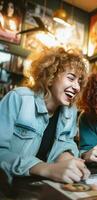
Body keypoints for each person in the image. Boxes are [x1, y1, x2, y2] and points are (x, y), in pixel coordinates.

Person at [0, 48, 90, 183]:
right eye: (71, 78)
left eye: (79, 81)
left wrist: (68, 160)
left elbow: (66, 144)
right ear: (50, 76)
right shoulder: (18, 98)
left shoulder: (70, 111)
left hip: (40, 186)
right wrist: (45, 168)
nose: (77, 87)